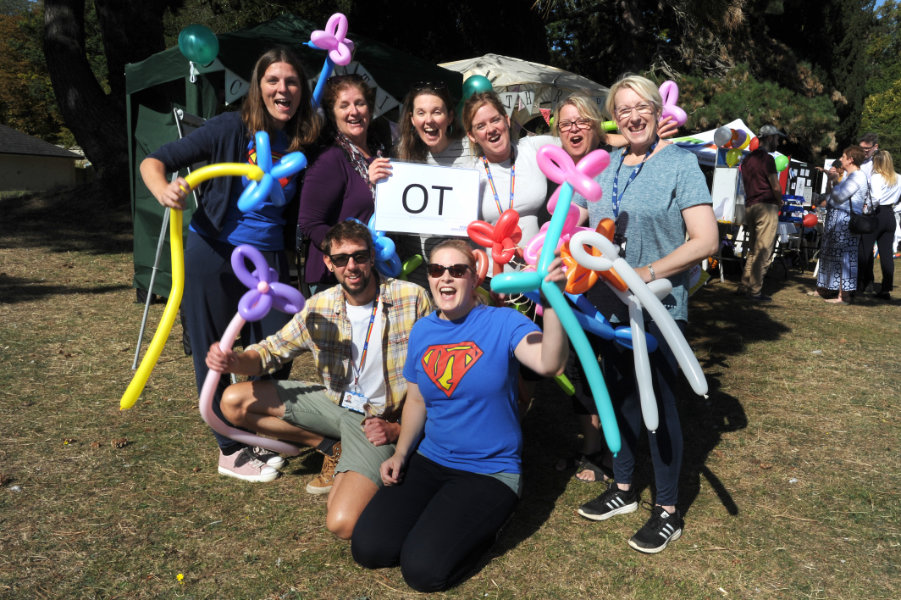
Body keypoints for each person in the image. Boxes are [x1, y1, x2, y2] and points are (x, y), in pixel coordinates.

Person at [140, 47, 320, 483]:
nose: (283, 89)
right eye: (273, 80)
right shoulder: (229, 128)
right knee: (216, 348)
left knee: (276, 346)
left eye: (292, 81)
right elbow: (155, 161)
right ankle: (229, 449)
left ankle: (254, 425)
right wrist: (165, 190)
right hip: (214, 253)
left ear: (302, 89)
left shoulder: (304, 139)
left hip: (268, 259)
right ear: (258, 87)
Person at [351, 240, 569, 592]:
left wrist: (556, 304)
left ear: (474, 277)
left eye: (457, 270)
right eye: (437, 270)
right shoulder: (423, 330)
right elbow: (418, 401)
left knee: (422, 572)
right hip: (430, 460)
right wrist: (401, 454)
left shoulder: (503, 321)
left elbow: (550, 362)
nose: (446, 278)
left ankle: (491, 524)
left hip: (488, 471)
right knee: (369, 549)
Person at [205, 220, 432, 538]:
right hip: (335, 403)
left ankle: (362, 463)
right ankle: (329, 446)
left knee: (341, 523)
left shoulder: (412, 298)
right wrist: (235, 359)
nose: (351, 266)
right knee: (233, 402)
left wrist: (397, 428)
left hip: (379, 420)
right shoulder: (319, 307)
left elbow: (434, 378)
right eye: (341, 259)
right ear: (328, 262)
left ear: (371, 256)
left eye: (359, 256)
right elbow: (270, 352)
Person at [572, 74, 718, 554]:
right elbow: (579, 226)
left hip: (656, 304)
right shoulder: (605, 165)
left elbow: (706, 240)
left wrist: (645, 270)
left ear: (658, 112)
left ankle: (669, 510)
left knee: (657, 403)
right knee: (618, 399)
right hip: (604, 306)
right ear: (616, 116)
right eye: (624, 108)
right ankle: (624, 487)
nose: (634, 116)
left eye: (642, 107)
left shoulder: (680, 164)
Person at [298, 74, 387, 291]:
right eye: (344, 106)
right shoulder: (330, 159)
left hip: (374, 274)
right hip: (333, 281)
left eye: (360, 103)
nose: (354, 112)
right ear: (332, 113)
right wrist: (346, 256)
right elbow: (310, 223)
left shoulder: (380, 154)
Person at [736, 124, 786, 302]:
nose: (778, 142)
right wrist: (780, 201)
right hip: (766, 206)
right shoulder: (767, 159)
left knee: (753, 249)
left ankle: (744, 285)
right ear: (770, 138)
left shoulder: (748, 159)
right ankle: (755, 291)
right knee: (764, 250)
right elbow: (775, 185)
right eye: (777, 138)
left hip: (750, 206)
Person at [815, 145, 868, 304]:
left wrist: (832, 183)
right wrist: (831, 183)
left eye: (843, 157)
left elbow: (838, 198)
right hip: (839, 219)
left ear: (851, 159)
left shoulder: (857, 177)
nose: (840, 160)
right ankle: (830, 289)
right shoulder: (849, 176)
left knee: (845, 257)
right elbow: (833, 197)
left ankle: (843, 296)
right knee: (835, 255)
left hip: (847, 220)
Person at [858, 150, 901, 300]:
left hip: (877, 213)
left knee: (864, 249)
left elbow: (875, 198)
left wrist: (866, 210)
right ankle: (886, 288)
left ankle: (861, 284)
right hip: (890, 215)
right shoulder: (899, 178)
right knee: (887, 253)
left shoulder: (877, 177)